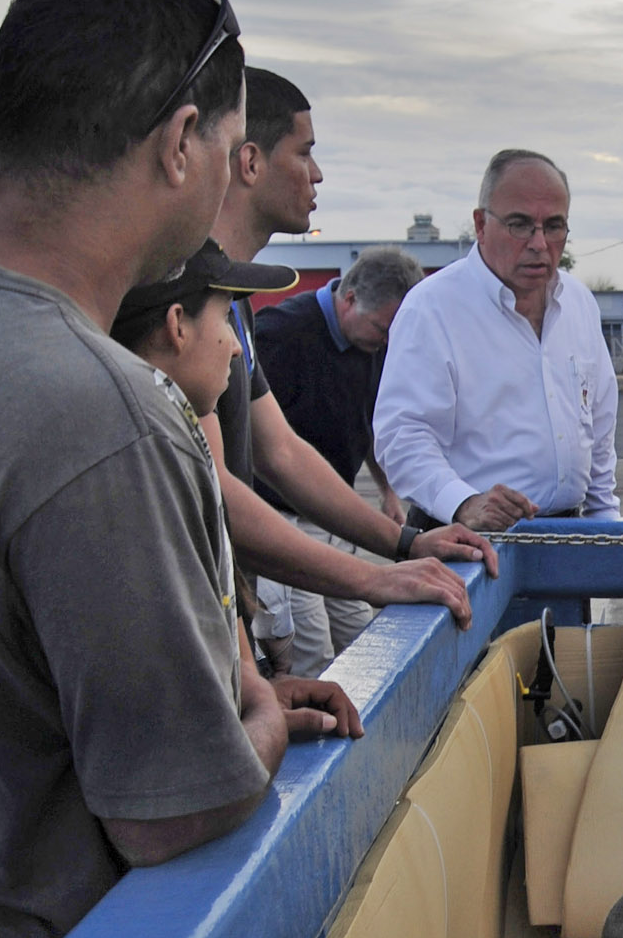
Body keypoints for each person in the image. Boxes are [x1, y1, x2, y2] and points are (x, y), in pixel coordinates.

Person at [0, 0, 287, 938]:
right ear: (180, 143)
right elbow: (176, 816)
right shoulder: (101, 417)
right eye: (231, 146)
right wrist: (260, 708)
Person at [198, 69, 496, 644]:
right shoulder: (184, 296)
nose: (318, 173)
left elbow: (281, 451)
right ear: (250, 162)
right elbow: (215, 491)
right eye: (304, 152)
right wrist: (375, 579)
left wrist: (406, 544)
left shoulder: (237, 303)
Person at [110, 249, 366, 728]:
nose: (235, 347)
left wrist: (253, 693)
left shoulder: (168, 438)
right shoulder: (142, 470)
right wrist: (257, 728)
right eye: (226, 319)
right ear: (176, 326)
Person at [372, 148, 619, 531]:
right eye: (520, 224)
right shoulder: (433, 308)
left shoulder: (579, 305)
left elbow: (599, 435)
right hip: (460, 539)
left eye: (554, 226)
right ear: (481, 224)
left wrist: (606, 525)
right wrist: (465, 503)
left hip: (567, 543)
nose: (539, 243)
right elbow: (402, 438)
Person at [253, 245, 427, 673]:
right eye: (382, 329)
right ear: (348, 299)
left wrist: (388, 493)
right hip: (282, 517)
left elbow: (364, 423)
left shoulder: (371, 344)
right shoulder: (279, 334)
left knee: (361, 636)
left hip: (336, 514)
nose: (385, 343)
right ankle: (320, 728)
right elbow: (260, 439)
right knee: (311, 649)